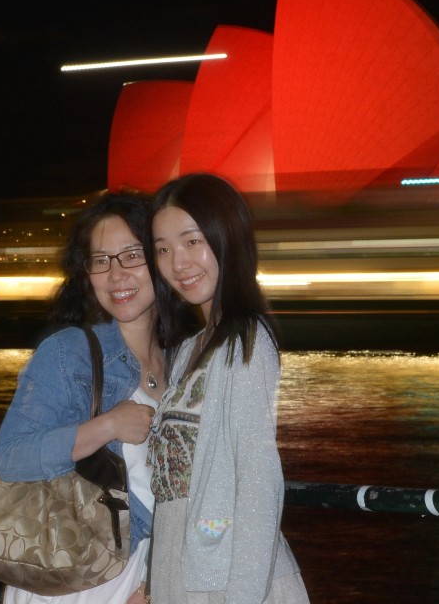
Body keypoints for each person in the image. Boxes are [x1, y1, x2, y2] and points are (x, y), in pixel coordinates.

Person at [0, 193, 164, 604]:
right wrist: (107, 425)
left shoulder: (186, 361)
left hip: (140, 575)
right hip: (69, 572)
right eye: (101, 260)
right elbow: (11, 458)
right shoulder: (70, 352)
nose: (116, 274)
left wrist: (153, 582)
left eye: (131, 255)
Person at [148, 173, 308, 603]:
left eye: (192, 241)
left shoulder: (244, 341)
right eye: (163, 248)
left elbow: (257, 482)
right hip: (180, 566)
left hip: (223, 579)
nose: (177, 262)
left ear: (227, 238)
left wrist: (240, 595)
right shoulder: (187, 350)